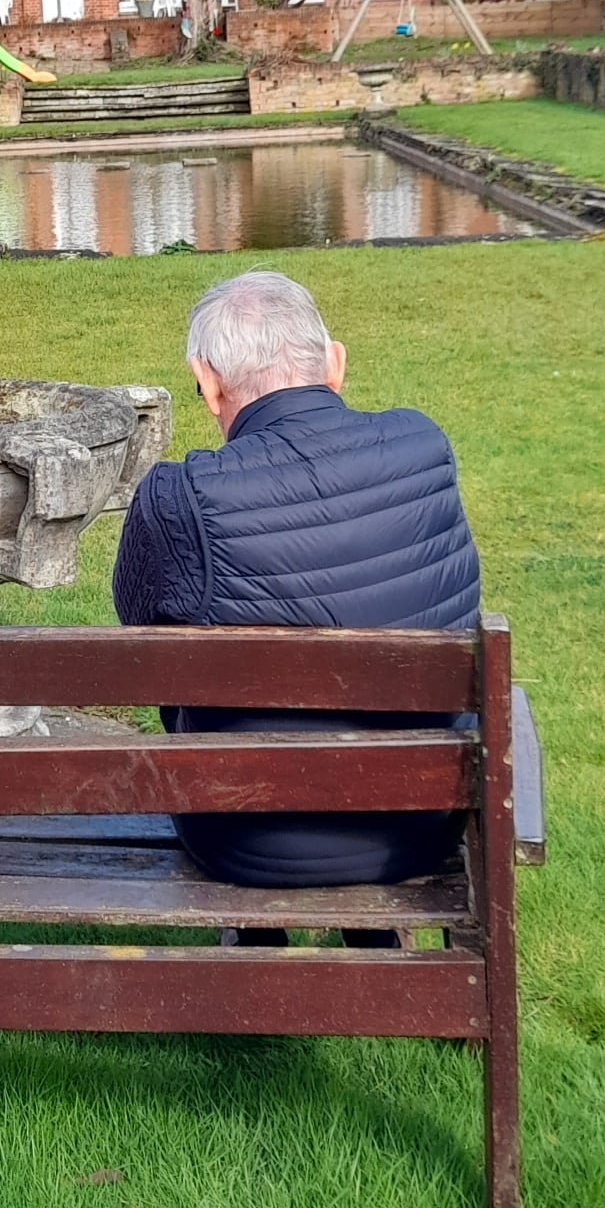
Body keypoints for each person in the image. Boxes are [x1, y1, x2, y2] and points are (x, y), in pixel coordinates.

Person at [111, 270, 480, 942]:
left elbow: (138, 645)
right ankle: (370, 934)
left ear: (208, 382)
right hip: (417, 826)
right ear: (334, 363)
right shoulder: (423, 446)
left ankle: (259, 937)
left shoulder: (179, 495)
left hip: (249, 838)